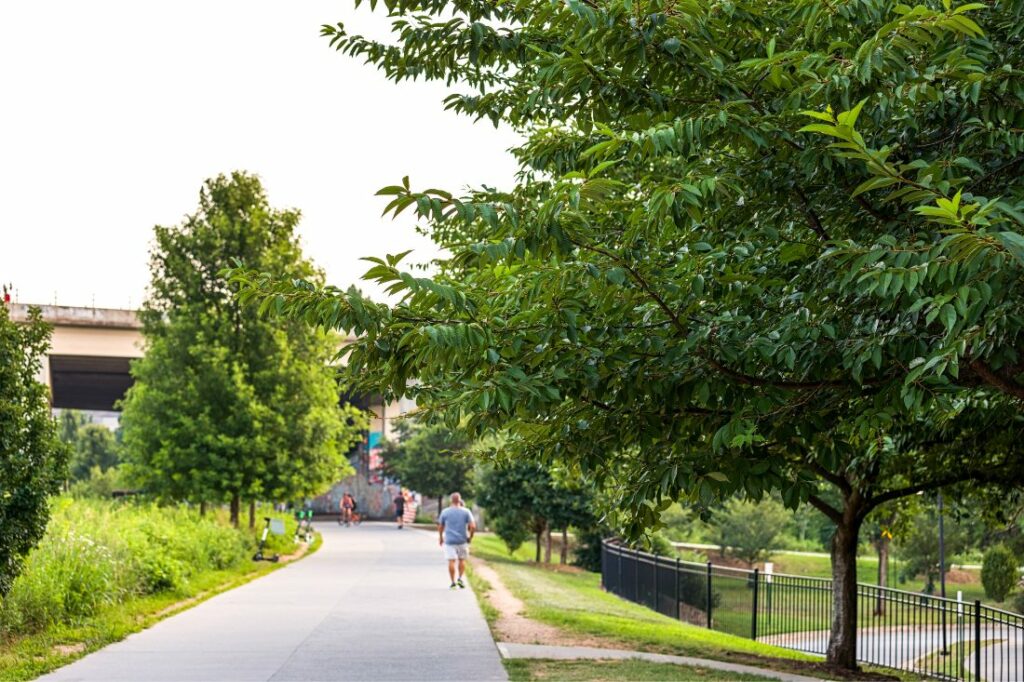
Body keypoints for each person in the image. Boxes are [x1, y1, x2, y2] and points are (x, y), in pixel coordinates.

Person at [437, 492, 476, 589]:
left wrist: (441, 537)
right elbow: (473, 526)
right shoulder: (466, 511)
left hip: (449, 540)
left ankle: (453, 583)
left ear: (451, 500)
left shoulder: (445, 512)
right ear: (460, 500)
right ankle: (460, 578)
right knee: (462, 560)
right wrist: (470, 537)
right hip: (462, 540)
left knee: (451, 561)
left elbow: (440, 526)